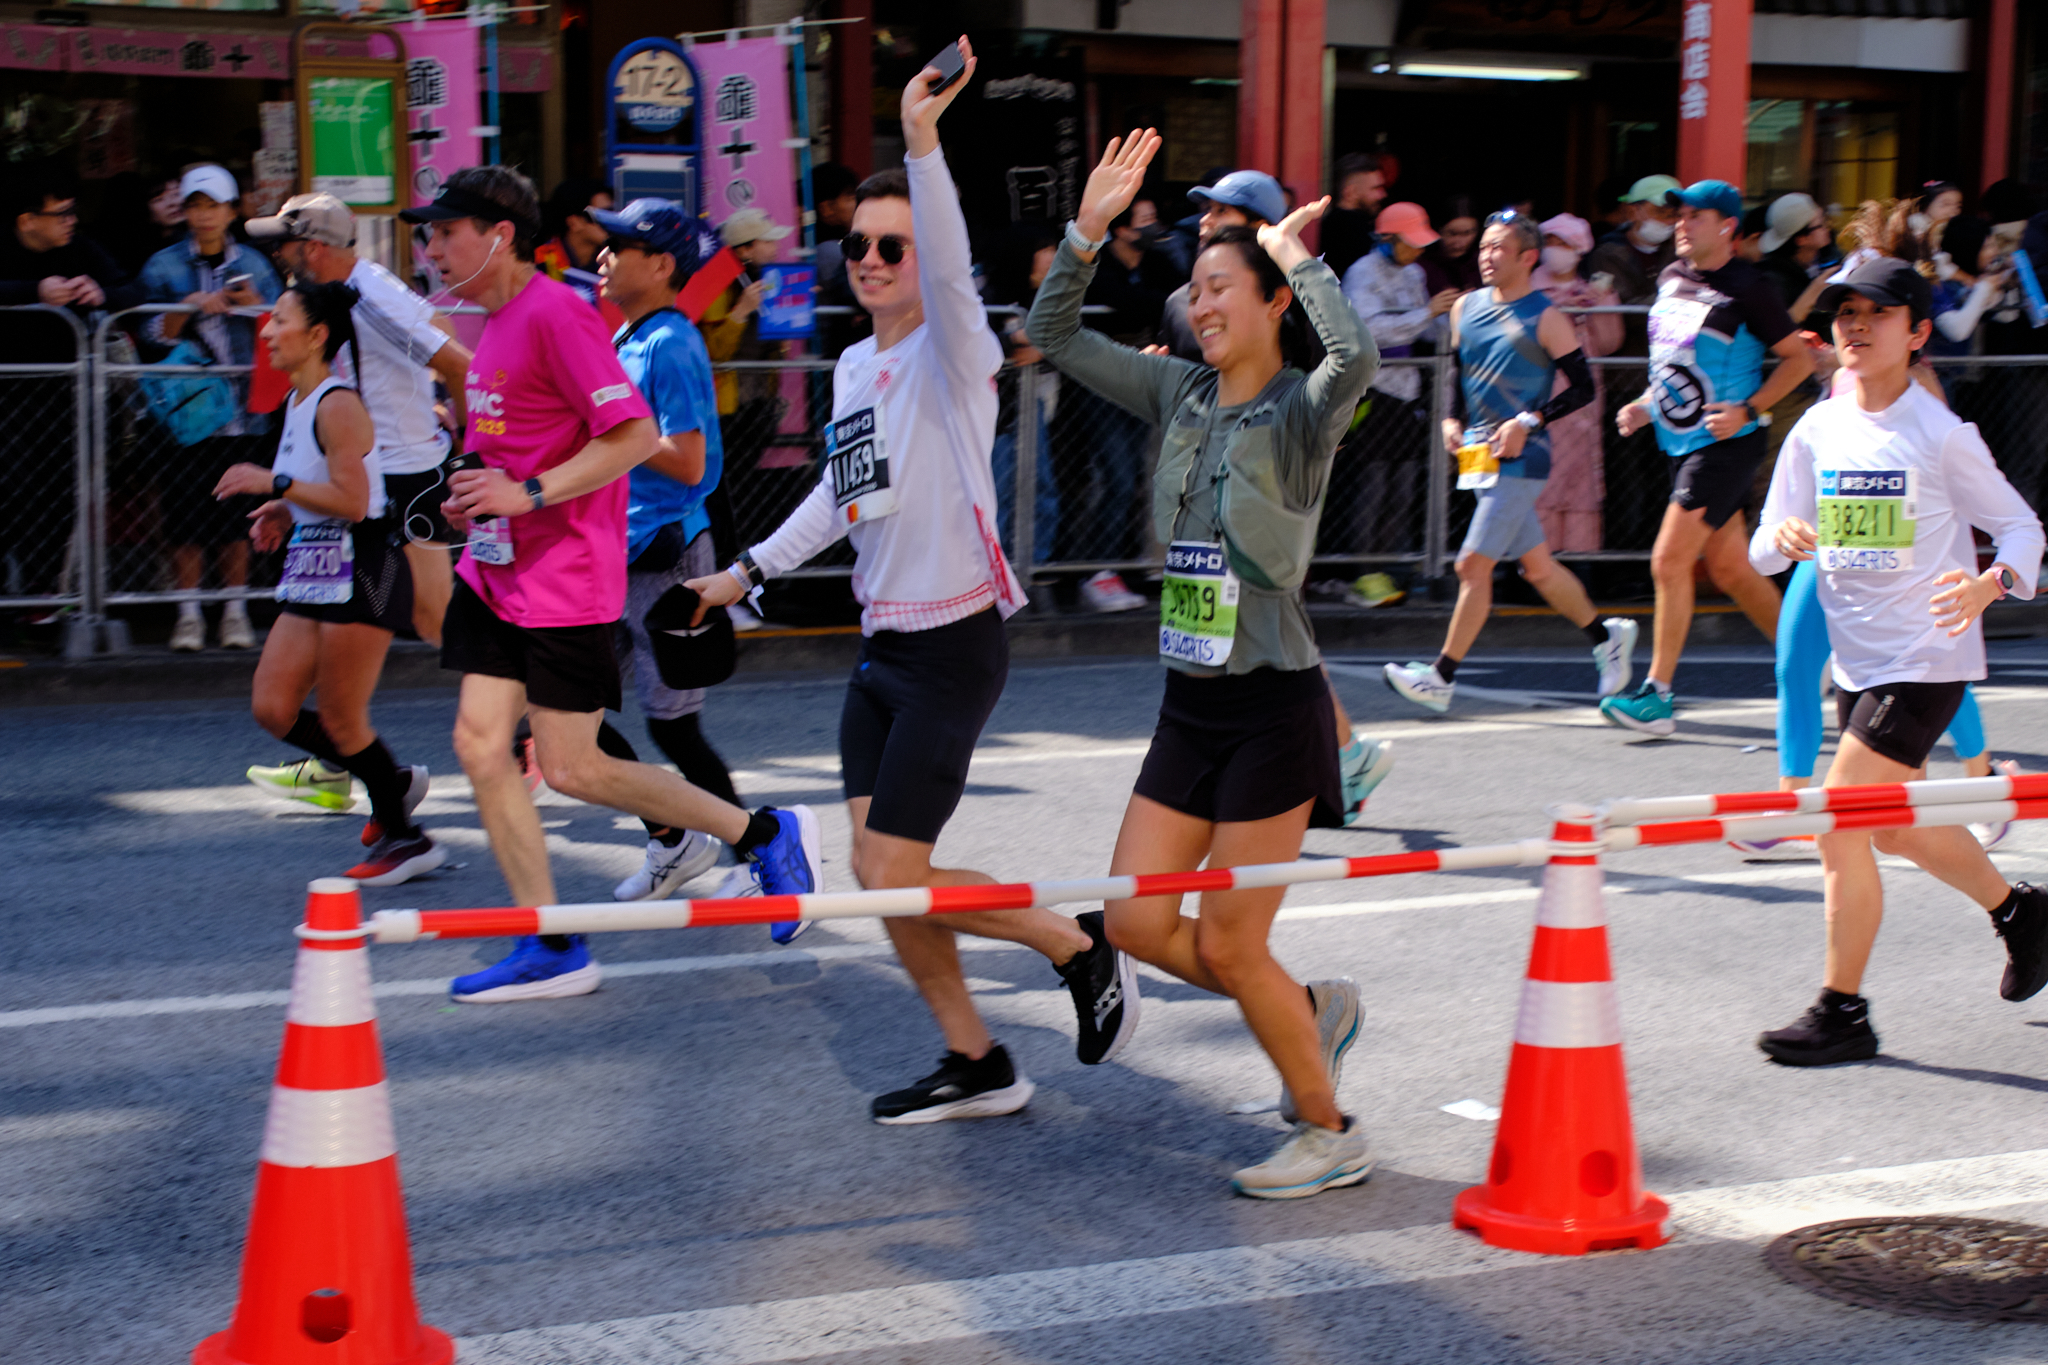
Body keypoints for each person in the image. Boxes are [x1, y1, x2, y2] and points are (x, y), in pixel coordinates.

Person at [684, 41, 1136, 1122]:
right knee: (880, 871)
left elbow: (949, 268)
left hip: (950, 647)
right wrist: (743, 573)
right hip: (881, 650)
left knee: (893, 869)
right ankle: (975, 1057)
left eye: (893, 244)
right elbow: (840, 498)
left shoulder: (955, 352)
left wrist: (920, 140)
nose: (873, 259)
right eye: (858, 243)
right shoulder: (856, 364)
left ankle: (1074, 945)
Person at [1028, 125, 1381, 1197]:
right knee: (1134, 920)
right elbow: (1050, 332)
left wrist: (1296, 256)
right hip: (1189, 703)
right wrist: (1087, 230)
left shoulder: (1302, 410)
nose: (1203, 301)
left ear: (1272, 304)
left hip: (1274, 708)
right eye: (1197, 287)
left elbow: (1356, 357)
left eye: (1225, 286)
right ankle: (1305, 1010)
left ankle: (1328, 1129)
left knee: (1230, 943)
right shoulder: (1177, 391)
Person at [398, 164, 822, 1003]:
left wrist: (526, 493)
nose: (432, 249)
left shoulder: (557, 314)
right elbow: (510, 443)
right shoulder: (496, 322)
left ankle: (761, 831)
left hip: (565, 578)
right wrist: (471, 490)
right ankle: (550, 941)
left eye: (446, 232)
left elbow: (630, 436)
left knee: (574, 768)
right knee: (481, 745)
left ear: (499, 236)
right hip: (497, 571)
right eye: (430, 235)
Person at [1748, 256, 2047, 1065]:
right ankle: (2023, 913)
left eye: (1876, 313)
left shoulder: (1941, 434)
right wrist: (1783, 536)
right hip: (1859, 663)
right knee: (1893, 829)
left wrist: (1990, 584)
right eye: (1845, 312)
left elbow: (2023, 528)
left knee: (1840, 820)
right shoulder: (1817, 429)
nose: (1855, 324)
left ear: (1916, 334)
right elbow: (1763, 544)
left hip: (1927, 657)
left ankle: (1842, 1011)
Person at [218, 281, 443, 885]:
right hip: (313, 568)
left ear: (317, 335)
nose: (267, 331)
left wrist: (274, 485)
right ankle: (387, 779)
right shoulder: (298, 401)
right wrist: (284, 510)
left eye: (280, 320)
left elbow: (355, 501)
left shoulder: (337, 404)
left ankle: (405, 838)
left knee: (344, 719)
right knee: (273, 707)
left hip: (364, 570)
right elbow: (319, 489)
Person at [1383, 211, 1634, 714]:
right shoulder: (1466, 307)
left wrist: (1529, 420)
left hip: (1524, 457)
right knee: (1538, 569)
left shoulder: (1547, 317)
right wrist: (1449, 420)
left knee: (1471, 565)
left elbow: (1582, 389)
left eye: (1499, 247)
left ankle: (1440, 677)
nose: (1487, 256)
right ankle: (1605, 637)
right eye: (1484, 246)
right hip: (1478, 457)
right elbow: (1459, 372)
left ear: (1528, 258)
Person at [588, 196, 760, 907]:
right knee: (565, 716)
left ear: (661, 266)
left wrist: (615, 437)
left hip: (667, 556)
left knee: (673, 727)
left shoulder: (672, 342)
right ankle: (673, 840)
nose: (602, 256)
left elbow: (689, 462)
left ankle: (760, 850)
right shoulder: (627, 336)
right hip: (618, 551)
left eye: (619, 247)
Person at [1601, 179, 1813, 736]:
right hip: (1677, 443)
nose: (1681, 224)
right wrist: (1645, 405)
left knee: (1668, 562)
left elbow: (1797, 361)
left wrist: (1750, 409)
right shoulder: (1671, 276)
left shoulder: (1751, 287)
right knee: (1731, 570)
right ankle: (1811, 666)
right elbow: (1671, 362)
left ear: (1727, 228)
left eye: (1695, 216)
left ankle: (1658, 695)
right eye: (1679, 216)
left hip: (1724, 446)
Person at [246, 193, 472, 647]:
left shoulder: (370, 294)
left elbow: (459, 363)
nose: (276, 254)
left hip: (403, 477)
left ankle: (513, 691)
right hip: (365, 472)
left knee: (432, 620)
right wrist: (422, 398)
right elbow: (439, 327)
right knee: (342, 622)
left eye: (282, 244)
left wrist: (467, 449)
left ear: (312, 248)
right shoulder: (353, 284)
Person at [139, 164, 285, 653]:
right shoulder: (162, 266)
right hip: (186, 412)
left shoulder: (256, 264)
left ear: (231, 211)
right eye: (196, 206)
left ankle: (234, 612)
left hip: (244, 410)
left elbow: (281, 328)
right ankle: (188, 615)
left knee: (238, 517)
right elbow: (148, 338)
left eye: (214, 206)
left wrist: (256, 303)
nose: (204, 216)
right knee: (184, 515)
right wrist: (187, 307)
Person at [1, 167, 145, 603]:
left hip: (67, 398)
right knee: (12, 487)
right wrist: (33, 292)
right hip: (9, 394)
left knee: (60, 492)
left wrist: (100, 293)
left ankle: (45, 595)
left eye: (72, 211)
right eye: (60, 213)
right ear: (27, 220)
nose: (71, 221)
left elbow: (134, 291)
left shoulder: (82, 249)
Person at [1335, 201, 1456, 578]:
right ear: (1386, 239)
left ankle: (1387, 568)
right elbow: (1368, 330)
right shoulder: (1361, 272)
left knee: (1402, 487)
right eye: (1410, 242)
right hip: (1372, 391)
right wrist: (1428, 313)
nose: (1418, 250)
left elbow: (1426, 328)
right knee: (1372, 485)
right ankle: (1361, 571)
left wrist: (1452, 319)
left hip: (1408, 391)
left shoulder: (1415, 274)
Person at [1076, 199, 1184, 602]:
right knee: (1116, 479)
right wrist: (1147, 305)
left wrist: (1144, 303)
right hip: (1102, 385)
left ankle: (1119, 570)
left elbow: (1180, 296)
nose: (1154, 228)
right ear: (1121, 230)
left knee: (1137, 479)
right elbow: (1117, 300)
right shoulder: (1098, 264)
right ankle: (1095, 572)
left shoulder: (1158, 263)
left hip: (1144, 382)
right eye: (1144, 221)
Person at [701, 207, 794, 558]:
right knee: (727, 495)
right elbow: (713, 351)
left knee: (744, 494)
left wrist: (792, 308)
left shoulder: (769, 280)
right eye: (767, 241)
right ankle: (725, 565)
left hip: (759, 404)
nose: (775, 248)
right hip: (726, 411)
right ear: (744, 249)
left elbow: (779, 346)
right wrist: (740, 310)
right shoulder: (717, 287)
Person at [1530, 213, 1624, 552]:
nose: (1555, 249)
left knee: (1581, 477)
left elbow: (1610, 344)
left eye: (1564, 243)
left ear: (1579, 249)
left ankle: (1579, 558)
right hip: (1538, 395)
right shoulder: (1526, 290)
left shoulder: (1593, 292)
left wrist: (1600, 305)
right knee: (1540, 475)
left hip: (1581, 400)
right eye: (1550, 242)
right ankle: (1538, 560)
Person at [991, 230, 1061, 566]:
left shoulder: (1054, 295)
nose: (1052, 256)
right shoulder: (993, 295)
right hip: (1000, 409)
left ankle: (1035, 564)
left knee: (1041, 487)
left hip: (1039, 405)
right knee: (999, 489)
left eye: (1053, 248)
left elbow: (1075, 339)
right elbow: (976, 341)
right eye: (1043, 248)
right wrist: (1013, 339)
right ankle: (997, 566)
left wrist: (1042, 348)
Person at [1583, 174, 1681, 307]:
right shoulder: (1607, 254)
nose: (1670, 221)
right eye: (1661, 212)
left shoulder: (1680, 251)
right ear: (1632, 212)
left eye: (1674, 215)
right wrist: (1679, 297)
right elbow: (1623, 307)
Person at [534, 177, 614, 306]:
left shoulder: (615, 260)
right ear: (574, 223)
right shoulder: (538, 264)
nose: (612, 220)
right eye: (603, 214)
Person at [1318, 152, 1388, 283]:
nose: (1382, 195)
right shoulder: (1341, 231)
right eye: (1375, 189)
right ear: (1350, 193)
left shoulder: (1365, 225)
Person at [1419, 197, 1481, 298]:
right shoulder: (1421, 268)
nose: (1460, 243)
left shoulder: (1483, 262)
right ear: (1438, 230)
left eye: (1468, 233)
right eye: (1452, 234)